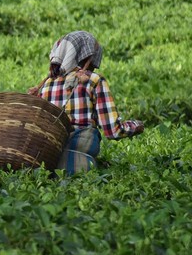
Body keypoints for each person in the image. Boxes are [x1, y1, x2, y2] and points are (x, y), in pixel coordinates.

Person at [29, 30, 144, 174]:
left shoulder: (46, 85)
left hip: (49, 162)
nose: (94, 67)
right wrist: (136, 126)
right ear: (87, 56)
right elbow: (113, 131)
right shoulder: (94, 80)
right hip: (79, 163)